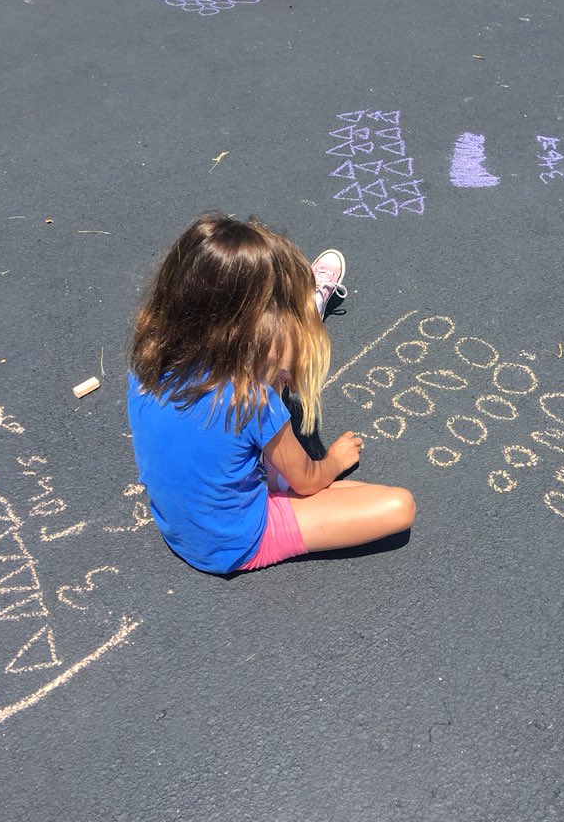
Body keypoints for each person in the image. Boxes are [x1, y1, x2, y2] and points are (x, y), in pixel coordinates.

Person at [127, 214, 415, 574]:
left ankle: (301, 324)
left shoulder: (149, 359)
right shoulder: (252, 399)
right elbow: (308, 480)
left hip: (180, 526)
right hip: (236, 541)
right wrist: (335, 461)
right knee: (398, 505)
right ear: (253, 328)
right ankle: (311, 308)